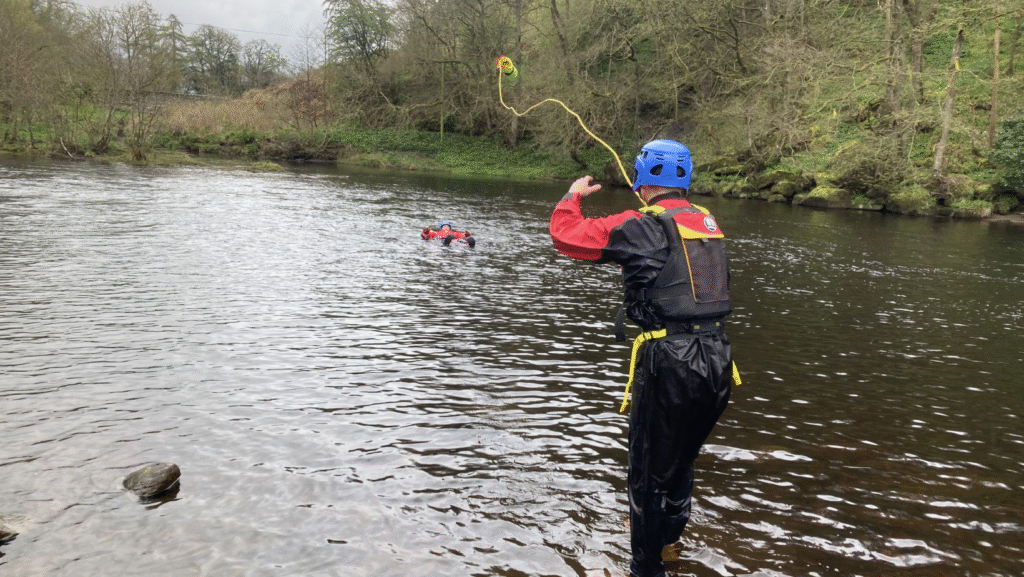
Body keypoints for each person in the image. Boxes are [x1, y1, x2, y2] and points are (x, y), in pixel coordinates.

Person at [549, 139, 737, 577]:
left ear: (641, 177)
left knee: (647, 473)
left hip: (669, 361)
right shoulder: (705, 222)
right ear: (685, 178)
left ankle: (644, 569)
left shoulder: (640, 225)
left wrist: (571, 196)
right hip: (717, 358)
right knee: (680, 459)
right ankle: (669, 543)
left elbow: (567, 237)